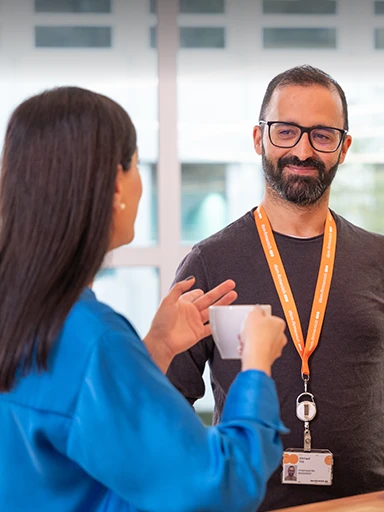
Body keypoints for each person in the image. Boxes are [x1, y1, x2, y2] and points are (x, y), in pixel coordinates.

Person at [0, 86, 288, 512]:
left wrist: (152, 349)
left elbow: (84, 446)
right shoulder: (92, 338)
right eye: (135, 165)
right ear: (116, 182)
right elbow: (219, 486)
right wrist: (257, 367)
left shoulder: (26, 314)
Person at [167, 64, 384, 511]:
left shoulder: (378, 259)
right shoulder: (209, 263)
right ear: (258, 138)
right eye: (286, 131)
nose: (302, 150)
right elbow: (167, 404)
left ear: (343, 148)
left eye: (322, 136)